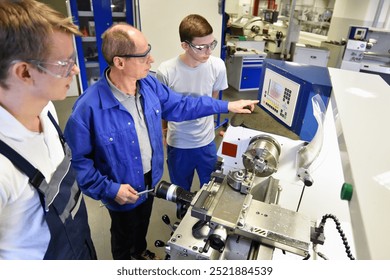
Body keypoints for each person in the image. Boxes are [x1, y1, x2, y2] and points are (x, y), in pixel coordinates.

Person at [63, 22, 258, 260]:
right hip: (121, 189)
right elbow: (78, 162)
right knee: (125, 233)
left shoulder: (148, 85)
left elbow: (182, 105)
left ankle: (140, 252)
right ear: (120, 62)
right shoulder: (88, 108)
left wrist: (227, 105)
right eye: (143, 55)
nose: (151, 59)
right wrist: (110, 189)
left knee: (143, 222)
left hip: (149, 179)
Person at [0, 0, 96, 259]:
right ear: (24, 72)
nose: (75, 69)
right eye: (65, 63)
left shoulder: (47, 109)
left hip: (80, 245)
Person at [156, 14, 227, 192]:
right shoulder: (166, 70)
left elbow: (212, 102)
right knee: (180, 193)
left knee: (210, 191)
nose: (209, 51)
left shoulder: (217, 66)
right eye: (202, 47)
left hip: (206, 141)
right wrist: (164, 130)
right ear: (185, 45)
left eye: (212, 44)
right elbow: (165, 108)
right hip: (179, 143)